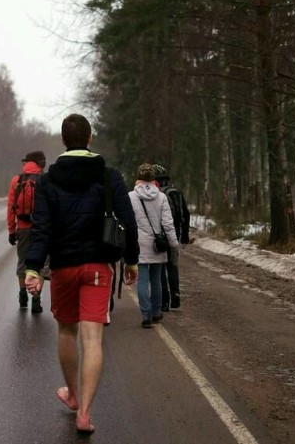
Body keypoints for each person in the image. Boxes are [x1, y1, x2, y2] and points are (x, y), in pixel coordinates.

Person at [24, 113, 139, 434]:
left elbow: (41, 228)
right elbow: (128, 222)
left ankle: (72, 395)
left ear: (63, 141)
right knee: (93, 338)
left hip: (62, 267)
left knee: (66, 332)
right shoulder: (108, 176)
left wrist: (33, 267)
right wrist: (131, 261)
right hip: (98, 267)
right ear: (90, 138)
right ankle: (85, 414)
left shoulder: (48, 181)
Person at [129, 163, 179, 328]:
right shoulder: (161, 197)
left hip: (139, 243)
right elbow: (168, 223)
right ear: (153, 179)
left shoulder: (131, 197)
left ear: (138, 177)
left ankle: (146, 314)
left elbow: (128, 222)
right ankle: (157, 312)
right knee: (156, 279)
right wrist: (173, 243)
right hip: (158, 244)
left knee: (142, 280)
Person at [7, 150, 49, 314]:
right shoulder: (45, 180)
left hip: (23, 228)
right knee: (42, 262)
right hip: (41, 228)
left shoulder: (17, 180)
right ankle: (36, 299)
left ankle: (23, 294)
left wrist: (11, 230)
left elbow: (11, 208)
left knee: (23, 262)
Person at [152, 164, 190, 310]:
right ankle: (176, 295)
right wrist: (184, 235)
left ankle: (164, 300)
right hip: (175, 233)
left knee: (161, 266)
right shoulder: (176, 192)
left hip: (160, 236)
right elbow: (186, 214)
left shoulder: (155, 194)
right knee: (172, 266)